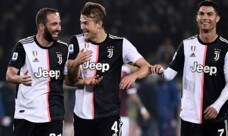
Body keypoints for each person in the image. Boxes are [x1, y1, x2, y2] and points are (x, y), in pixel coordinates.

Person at [150, 1, 228, 136]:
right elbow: (169, 75)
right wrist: (160, 71)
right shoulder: (186, 45)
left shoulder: (227, 48)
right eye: (201, 14)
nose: (205, 17)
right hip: (190, 118)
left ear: (217, 18)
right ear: (197, 17)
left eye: (210, 14)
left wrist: (217, 105)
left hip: (216, 117)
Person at [67, 2, 150, 136]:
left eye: (86, 23)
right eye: (81, 22)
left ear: (99, 24)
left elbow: (146, 67)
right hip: (82, 115)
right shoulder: (76, 41)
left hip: (109, 115)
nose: (82, 27)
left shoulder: (120, 44)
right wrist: (76, 63)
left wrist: (133, 76)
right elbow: (70, 79)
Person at [5, 8, 68, 136]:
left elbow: (68, 79)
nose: (59, 28)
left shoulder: (63, 49)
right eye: (54, 24)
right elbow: (10, 73)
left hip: (53, 114)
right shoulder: (23, 46)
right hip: (26, 114)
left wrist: (76, 65)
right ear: (41, 26)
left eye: (59, 23)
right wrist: (18, 78)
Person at [119, 64, 150, 136]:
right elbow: (133, 97)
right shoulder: (127, 76)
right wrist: (143, 110)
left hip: (107, 113)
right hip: (121, 115)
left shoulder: (113, 72)